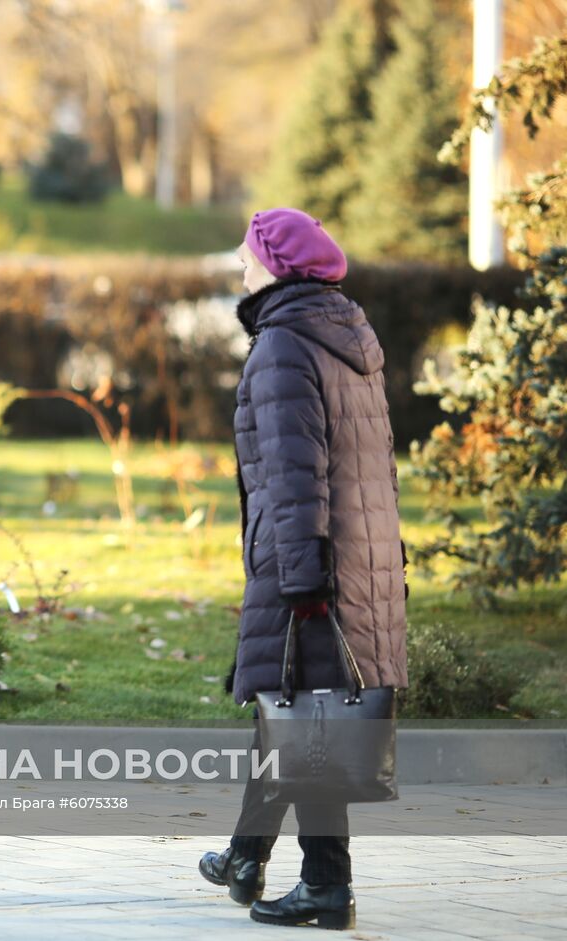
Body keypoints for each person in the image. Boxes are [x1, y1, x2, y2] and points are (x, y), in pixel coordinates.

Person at [197, 208, 408, 930]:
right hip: (360, 555)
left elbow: (294, 472)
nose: (240, 263)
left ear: (278, 266)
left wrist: (302, 575)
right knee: (298, 713)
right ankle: (246, 855)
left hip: (309, 555)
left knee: (307, 716)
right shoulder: (349, 334)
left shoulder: (284, 344)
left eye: (249, 254)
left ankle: (321, 884)